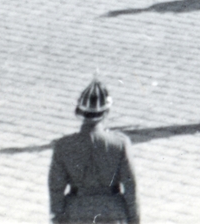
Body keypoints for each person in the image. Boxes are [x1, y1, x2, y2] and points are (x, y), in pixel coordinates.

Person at [48, 79, 140, 223]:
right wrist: (134, 220)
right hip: (113, 211)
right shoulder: (120, 143)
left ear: (80, 111)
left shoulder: (63, 146)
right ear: (106, 112)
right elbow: (130, 187)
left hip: (75, 212)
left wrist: (58, 218)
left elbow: (56, 189)